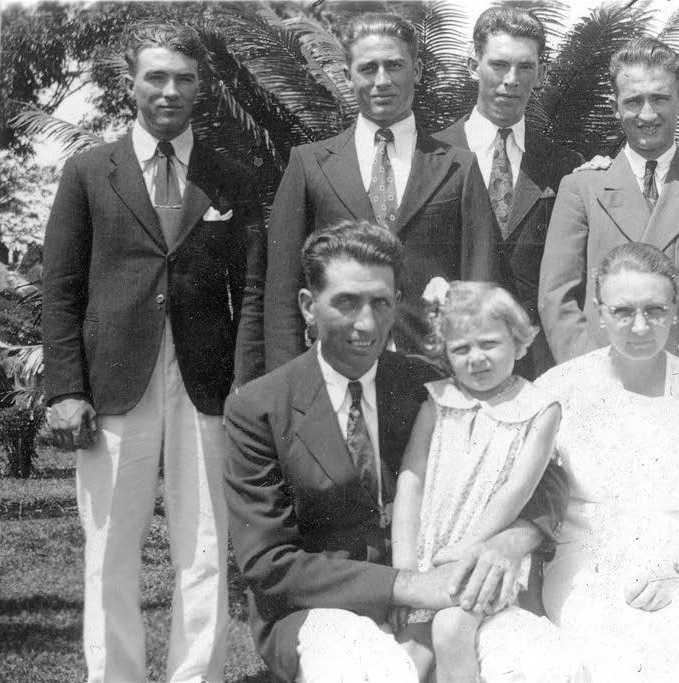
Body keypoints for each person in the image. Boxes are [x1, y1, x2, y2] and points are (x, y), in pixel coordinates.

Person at [224, 220, 568, 683]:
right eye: (346, 302)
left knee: (538, 665)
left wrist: (510, 540)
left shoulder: (425, 384)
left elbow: (545, 475)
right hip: (327, 609)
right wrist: (406, 587)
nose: (366, 323)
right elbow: (268, 563)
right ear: (309, 306)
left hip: (449, 591)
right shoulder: (260, 408)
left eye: (380, 303)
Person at [40, 24, 255, 683]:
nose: (170, 90)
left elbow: (251, 287)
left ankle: (197, 675)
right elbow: (63, 285)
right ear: (130, 81)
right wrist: (66, 387)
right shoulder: (88, 172)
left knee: (206, 543)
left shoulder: (229, 173)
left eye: (184, 78)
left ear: (201, 86)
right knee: (109, 548)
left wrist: (244, 385)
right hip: (113, 381)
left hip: (206, 381)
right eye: (156, 77)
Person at [236, 11, 498, 383]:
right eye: (367, 68)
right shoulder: (310, 165)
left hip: (433, 372)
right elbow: (282, 293)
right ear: (347, 76)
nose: (382, 81)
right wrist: (288, 390)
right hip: (334, 371)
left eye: (394, 65)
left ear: (418, 70)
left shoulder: (459, 167)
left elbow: (481, 285)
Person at [536, 242, 679, 681]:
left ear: (677, 309)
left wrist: (674, 570)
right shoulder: (560, 389)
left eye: (656, 310)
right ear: (599, 310)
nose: (641, 327)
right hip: (587, 562)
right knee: (617, 656)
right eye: (624, 312)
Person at [538, 37, 679, 378]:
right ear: (615, 106)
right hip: (602, 381)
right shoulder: (581, 188)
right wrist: (595, 378)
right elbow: (556, 297)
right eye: (634, 100)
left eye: (660, 99)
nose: (647, 114)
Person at [391, 278, 567, 682]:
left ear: (519, 342)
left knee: (451, 627)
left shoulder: (539, 409)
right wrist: (404, 570)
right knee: (411, 649)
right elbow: (410, 481)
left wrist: (469, 547)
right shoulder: (437, 401)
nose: (477, 359)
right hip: (426, 551)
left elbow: (516, 491)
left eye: (489, 343)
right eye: (461, 349)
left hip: (483, 550)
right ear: (445, 353)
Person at [433, 7, 584, 379]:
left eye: (526, 67)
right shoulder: (430, 158)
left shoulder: (566, 166)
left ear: (541, 73)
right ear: (473, 65)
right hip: (450, 361)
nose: (512, 80)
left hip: (541, 363)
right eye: (499, 65)